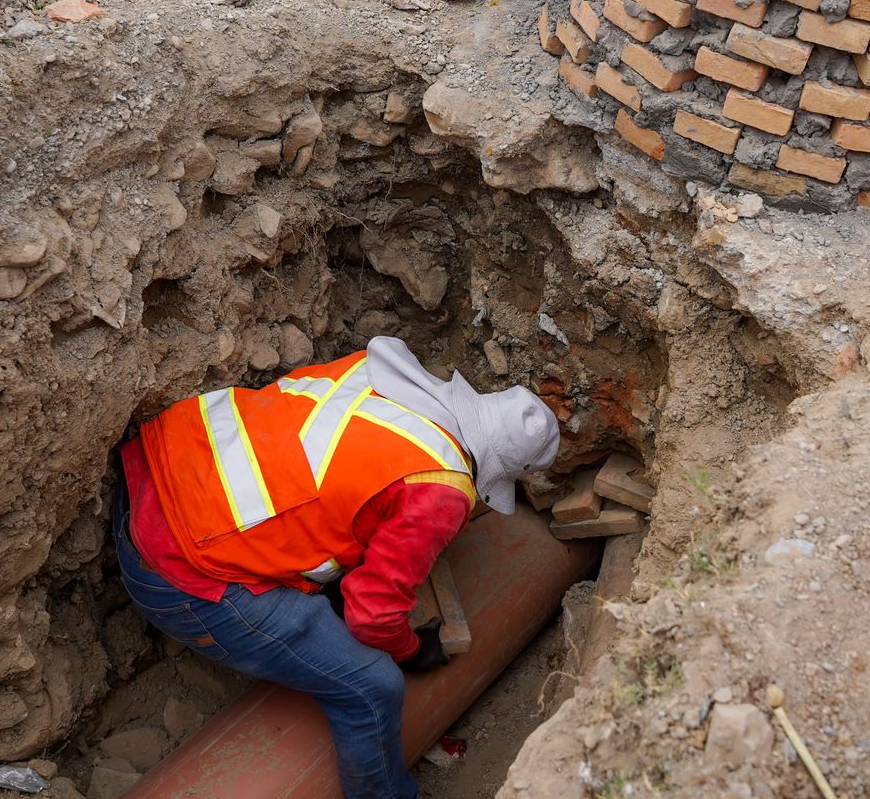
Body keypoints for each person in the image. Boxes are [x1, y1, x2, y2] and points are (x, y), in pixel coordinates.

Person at [113, 336, 561, 799]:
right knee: (373, 687)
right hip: (180, 574)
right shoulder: (439, 488)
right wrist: (412, 651)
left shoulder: (378, 371)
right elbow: (371, 618)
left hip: (152, 473)